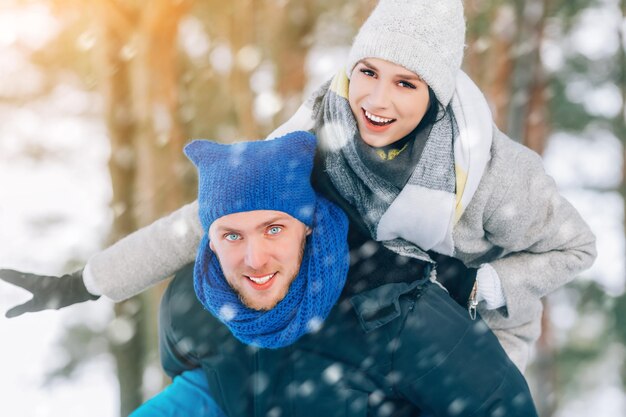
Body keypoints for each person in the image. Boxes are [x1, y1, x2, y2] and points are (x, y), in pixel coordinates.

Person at [1, 0, 595, 372]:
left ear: (436, 97)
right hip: (369, 298)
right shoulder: (314, 133)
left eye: (406, 84)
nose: (377, 101)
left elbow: (577, 247)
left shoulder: (496, 171)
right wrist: (81, 284)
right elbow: (208, 221)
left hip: (474, 323)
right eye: (367, 73)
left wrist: (482, 282)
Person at [131, 130, 537, 416]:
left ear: (306, 225)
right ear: (211, 239)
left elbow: (501, 406)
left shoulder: (393, 311)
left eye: (274, 229)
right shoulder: (191, 305)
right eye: (232, 235)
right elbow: (203, 392)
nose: (254, 259)